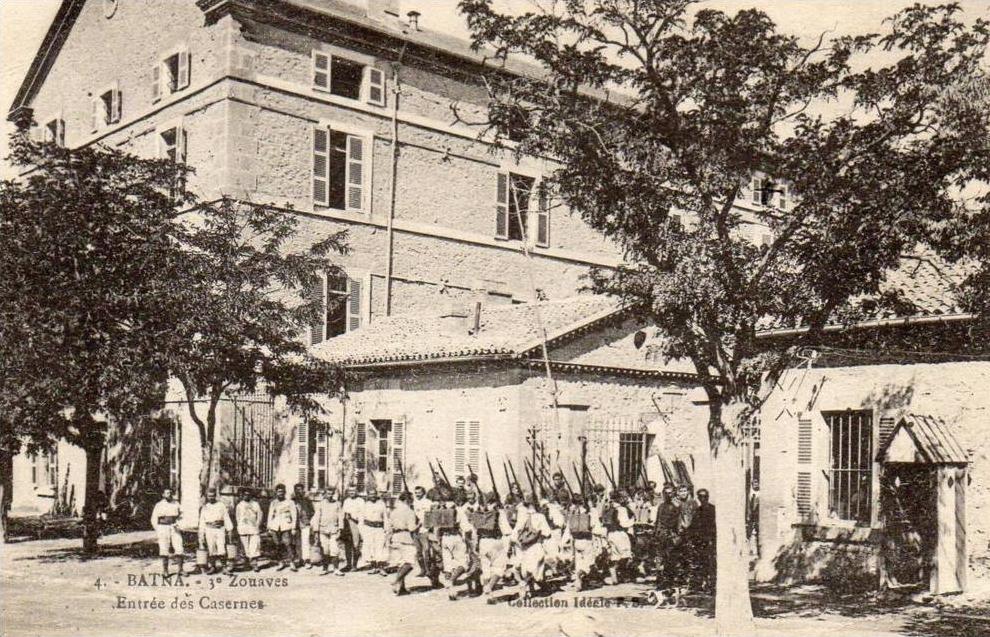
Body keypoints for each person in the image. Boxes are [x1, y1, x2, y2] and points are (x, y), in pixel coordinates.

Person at [512, 494, 551, 599]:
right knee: (537, 569)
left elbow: (514, 535)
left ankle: (530, 589)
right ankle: (526, 584)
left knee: (527, 568)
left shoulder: (522, 517)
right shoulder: (540, 516)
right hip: (536, 545)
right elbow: (547, 533)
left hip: (524, 547)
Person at [389, 491, 419, 595]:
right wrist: (420, 523)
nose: (412, 502)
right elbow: (411, 528)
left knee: (401, 564)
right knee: (409, 563)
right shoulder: (410, 512)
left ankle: (401, 588)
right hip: (406, 538)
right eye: (411, 500)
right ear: (407, 500)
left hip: (395, 538)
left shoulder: (394, 511)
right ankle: (396, 580)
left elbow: (390, 525)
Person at [602, 490, 635, 585]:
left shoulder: (607, 508)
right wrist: (632, 520)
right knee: (626, 555)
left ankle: (614, 574)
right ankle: (618, 572)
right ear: (619, 499)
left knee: (615, 555)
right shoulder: (622, 509)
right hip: (620, 534)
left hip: (610, 534)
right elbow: (624, 524)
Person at [198, 487, 233, 574]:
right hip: (209, 529)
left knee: (222, 548)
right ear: (207, 496)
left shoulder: (221, 505)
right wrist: (201, 534)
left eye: (213, 496)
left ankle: (224, 567)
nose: (211, 498)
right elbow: (202, 522)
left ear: (215, 496)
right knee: (211, 548)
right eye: (209, 496)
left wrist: (229, 529)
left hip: (220, 529)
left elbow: (226, 517)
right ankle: (213, 567)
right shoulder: (205, 507)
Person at [150, 488, 184, 576]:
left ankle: (180, 570)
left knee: (179, 546)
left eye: (170, 493)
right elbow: (154, 518)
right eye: (167, 493)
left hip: (174, 527)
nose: (169, 494)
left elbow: (181, 515)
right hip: (163, 527)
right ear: (163, 495)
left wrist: (178, 523)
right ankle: (165, 571)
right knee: (164, 548)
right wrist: (158, 529)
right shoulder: (159, 505)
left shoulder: (176, 503)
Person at [689, 488, 716, 593]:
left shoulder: (713, 510)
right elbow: (693, 526)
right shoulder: (697, 510)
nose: (702, 498)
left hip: (710, 541)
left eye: (704, 496)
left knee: (711, 564)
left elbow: (715, 526)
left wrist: (711, 539)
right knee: (701, 564)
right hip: (700, 542)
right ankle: (701, 584)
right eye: (700, 496)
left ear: (708, 497)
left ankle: (712, 585)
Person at [312, 487, 344, 576]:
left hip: (334, 530)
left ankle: (336, 569)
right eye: (328, 493)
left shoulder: (337, 504)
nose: (330, 495)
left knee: (334, 549)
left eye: (331, 493)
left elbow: (341, 518)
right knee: (325, 550)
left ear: (333, 494)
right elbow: (317, 518)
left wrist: (340, 529)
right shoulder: (321, 504)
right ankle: (325, 569)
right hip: (323, 530)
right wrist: (316, 531)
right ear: (325, 494)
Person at [267, 483, 298, 571]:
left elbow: (294, 515)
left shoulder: (290, 502)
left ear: (284, 492)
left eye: (282, 491)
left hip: (286, 526)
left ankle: (292, 562)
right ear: (276, 492)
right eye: (278, 492)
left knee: (288, 544)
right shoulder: (273, 503)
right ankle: (281, 562)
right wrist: (269, 527)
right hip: (275, 526)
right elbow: (270, 515)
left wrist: (293, 527)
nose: (280, 493)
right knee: (277, 545)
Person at [235, 488, 264, 572]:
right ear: (242, 495)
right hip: (243, 528)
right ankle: (246, 564)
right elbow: (238, 517)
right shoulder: (239, 505)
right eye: (245, 495)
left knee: (254, 546)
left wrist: (258, 525)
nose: (246, 496)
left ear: (250, 495)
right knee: (245, 547)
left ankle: (254, 564)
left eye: (248, 495)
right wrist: (240, 526)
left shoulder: (255, 504)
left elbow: (260, 515)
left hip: (253, 528)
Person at [361, 489, 388, 574]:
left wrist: (386, 529)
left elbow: (386, 517)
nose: (372, 496)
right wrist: (362, 530)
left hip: (379, 528)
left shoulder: (381, 504)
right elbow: (361, 518)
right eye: (370, 494)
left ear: (376, 494)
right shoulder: (365, 505)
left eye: (374, 494)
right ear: (368, 495)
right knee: (370, 547)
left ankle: (381, 567)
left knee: (380, 547)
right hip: (368, 528)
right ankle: (373, 567)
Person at [411, 485, 434, 577]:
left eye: (419, 493)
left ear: (423, 493)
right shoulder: (413, 503)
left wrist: (427, 527)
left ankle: (429, 570)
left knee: (427, 550)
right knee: (418, 551)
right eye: (416, 493)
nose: (417, 494)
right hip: (415, 530)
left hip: (425, 530)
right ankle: (422, 570)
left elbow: (430, 516)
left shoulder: (428, 503)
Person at [341, 487, 364, 572]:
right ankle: (348, 564)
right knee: (347, 544)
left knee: (356, 545)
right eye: (350, 491)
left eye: (353, 491)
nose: (352, 492)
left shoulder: (360, 501)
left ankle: (355, 565)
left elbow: (362, 514)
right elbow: (343, 512)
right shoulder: (346, 501)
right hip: (346, 524)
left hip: (356, 524)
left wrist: (353, 517)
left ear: (356, 491)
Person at [292, 483, 315, 569]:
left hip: (305, 524)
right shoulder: (292, 501)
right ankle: (299, 559)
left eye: (300, 489)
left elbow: (312, 512)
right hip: (295, 525)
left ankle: (307, 560)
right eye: (296, 490)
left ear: (303, 490)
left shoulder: (307, 501)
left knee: (305, 542)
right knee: (297, 543)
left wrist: (308, 520)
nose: (298, 491)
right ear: (294, 491)